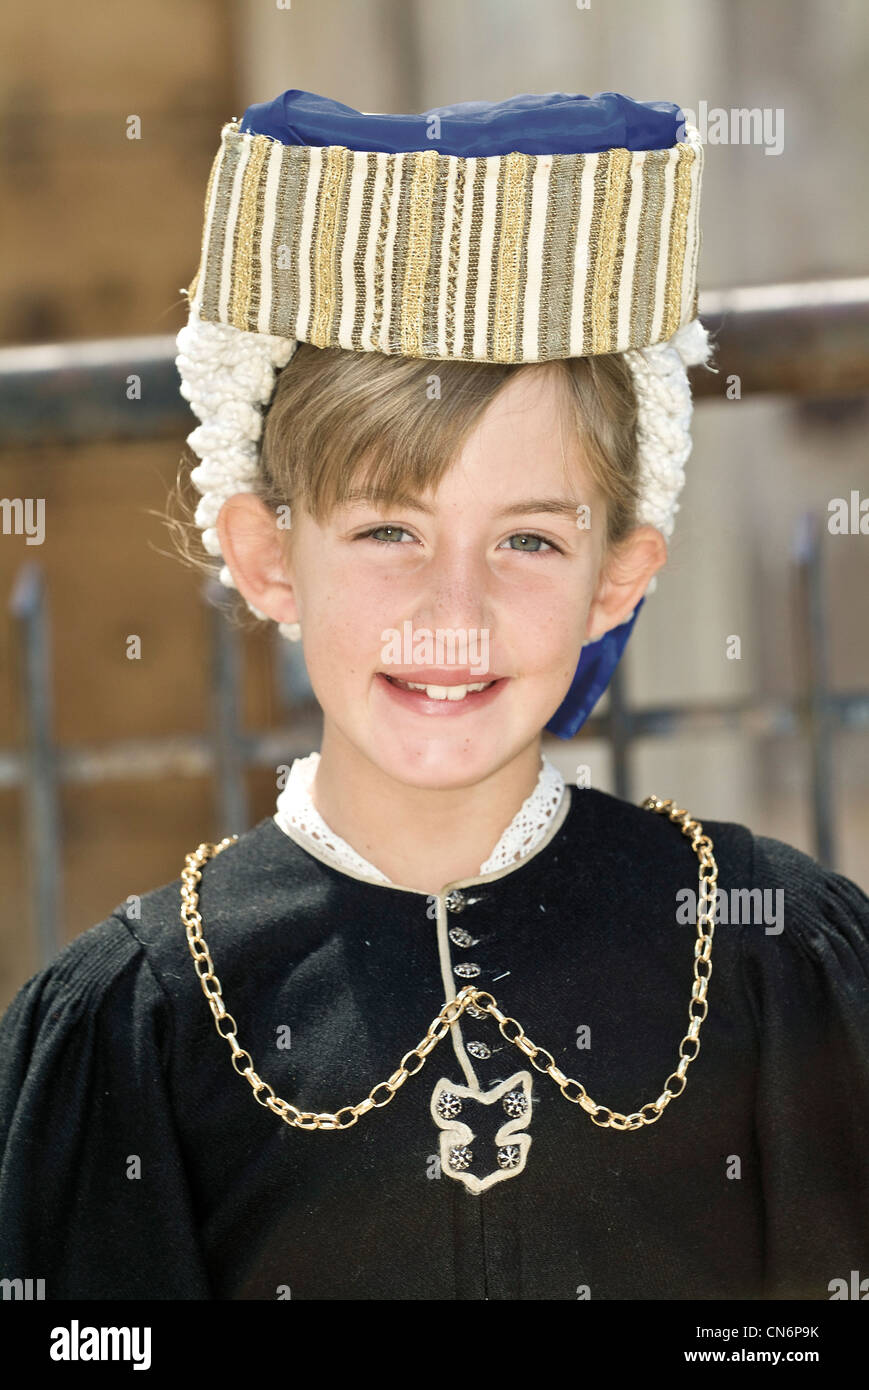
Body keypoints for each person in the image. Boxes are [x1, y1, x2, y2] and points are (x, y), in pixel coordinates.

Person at [1, 89, 867, 1302]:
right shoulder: (135, 1023)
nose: (451, 612)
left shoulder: (772, 953)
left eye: (525, 541)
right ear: (263, 555)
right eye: (387, 530)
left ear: (617, 578)